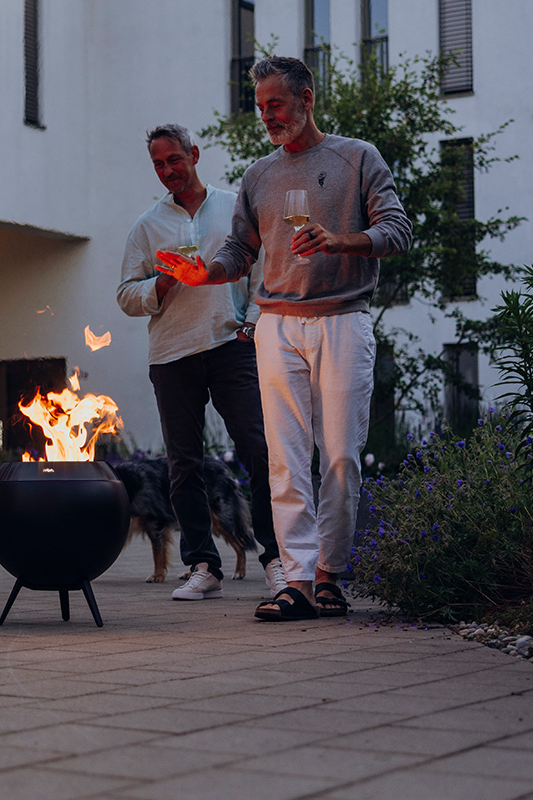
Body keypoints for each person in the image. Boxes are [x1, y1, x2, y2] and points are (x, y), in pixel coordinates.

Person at [156, 57, 412, 621]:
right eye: (260, 107)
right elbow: (240, 250)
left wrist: (340, 240)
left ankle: (330, 574)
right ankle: (296, 581)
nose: (267, 115)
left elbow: (397, 231)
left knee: (340, 456)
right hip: (275, 324)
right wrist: (206, 273)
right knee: (285, 459)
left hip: (342, 318)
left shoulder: (358, 157)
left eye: (275, 104)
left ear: (307, 98)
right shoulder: (259, 175)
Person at [117, 124, 285, 602]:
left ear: (193, 154)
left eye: (174, 159)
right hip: (172, 355)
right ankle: (203, 565)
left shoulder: (235, 207)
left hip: (231, 346)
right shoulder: (147, 226)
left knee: (258, 449)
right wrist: (160, 284)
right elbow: (125, 295)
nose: (167, 170)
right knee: (183, 465)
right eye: (158, 164)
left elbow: (263, 271)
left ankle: (277, 558)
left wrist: (251, 327)